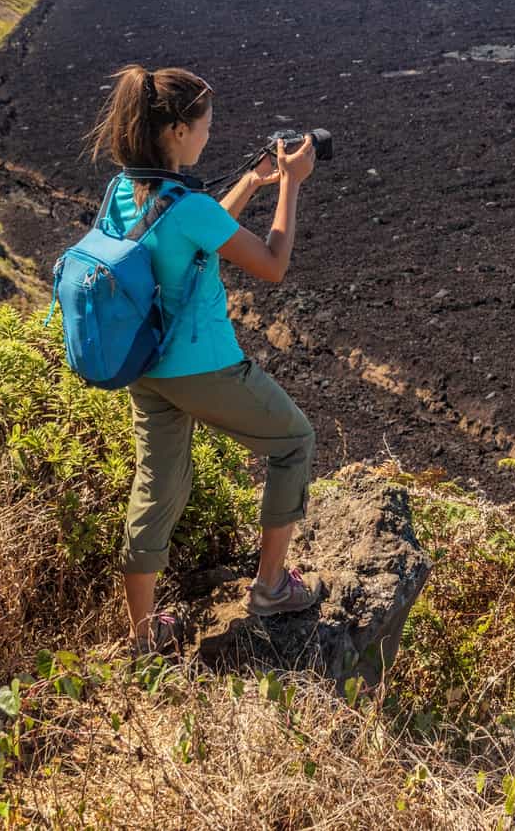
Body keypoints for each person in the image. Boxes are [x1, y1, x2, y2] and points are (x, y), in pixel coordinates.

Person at [84, 63, 322, 654]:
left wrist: (248, 183)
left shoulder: (122, 190)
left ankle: (142, 636)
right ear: (179, 132)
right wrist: (292, 184)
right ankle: (270, 586)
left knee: (157, 483)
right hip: (201, 366)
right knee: (294, 442)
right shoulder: (187, 206)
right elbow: (271, 263)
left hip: (144, 367)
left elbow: (185, 232)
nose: (211, 135)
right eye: (206, 125)